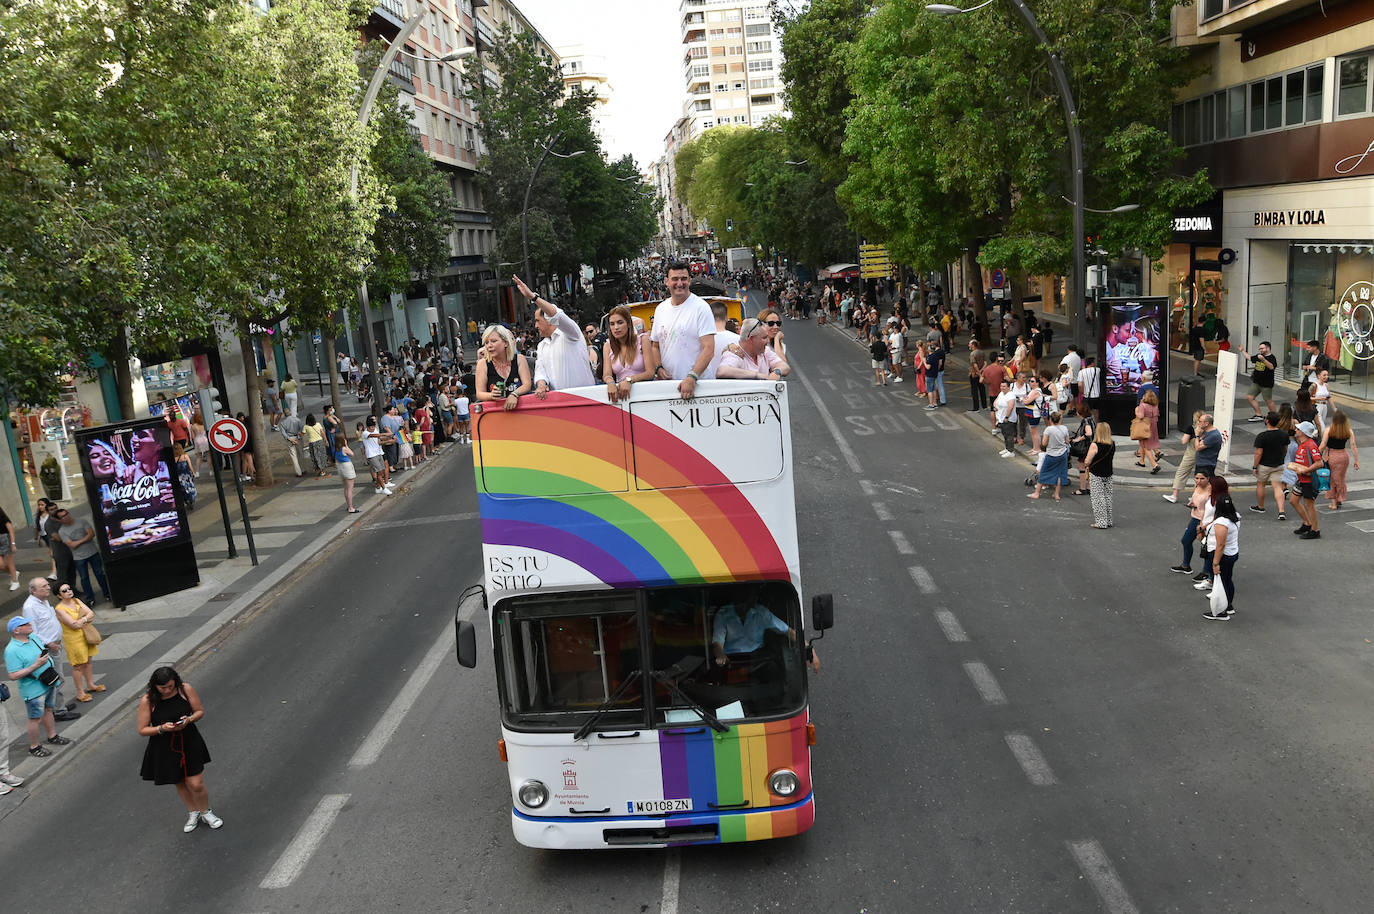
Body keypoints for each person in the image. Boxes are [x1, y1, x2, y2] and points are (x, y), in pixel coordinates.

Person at [138, 666, 220, 833]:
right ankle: (193, 812)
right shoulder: (148, 701)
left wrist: (188, 720)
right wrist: (162, 728)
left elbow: (199, 711)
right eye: (163, 688)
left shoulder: (185, 689)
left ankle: (206, 811)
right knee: (179, 781)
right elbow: (142, 729)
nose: (168, 690)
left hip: (189, 740)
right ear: (155, 686)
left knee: (196, 783)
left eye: (170, 686)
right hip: (164, 746)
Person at [511, 275, 596, 396]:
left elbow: (557, 315)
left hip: (586, 400)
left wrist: (533, 297)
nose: (535, 326)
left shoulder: (571, 334)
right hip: (557, 404)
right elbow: (540, 371)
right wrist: (541, 383)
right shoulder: (541, 346)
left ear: (548, 319)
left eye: (537, 320)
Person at [4, 616, 74, 758]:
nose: (30, 624)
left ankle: (52, 736)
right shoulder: (11, 650)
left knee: (48, 710)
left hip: (48, 682)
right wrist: (35, 666)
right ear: (17, 630)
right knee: (34, 718)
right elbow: (12, 675)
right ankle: (34, 746)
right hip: (33, 689)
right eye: (26, 624)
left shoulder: (33, 637)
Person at [650, 262, 715, 399]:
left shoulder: (701, 308)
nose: (680, 283)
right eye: (675, 279)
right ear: (667, 282)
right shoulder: (660, 309)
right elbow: (655, 346)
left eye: (683, 279)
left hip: (699, 387)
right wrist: (658, 368)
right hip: (669, 387)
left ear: (689, 280)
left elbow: (709, 349)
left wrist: (692, 377)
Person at [710, 593, 797, 666]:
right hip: (732, 660)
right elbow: (717, 642)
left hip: (758, 659)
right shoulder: (723, 614)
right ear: (735, 598)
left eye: (748, 601)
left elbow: (787, 631)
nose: (743, 606)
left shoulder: (761, 613)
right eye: (741, 601)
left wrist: (806, 647)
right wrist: (720, 655)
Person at [54, 583, 103, 701]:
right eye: (64, 590)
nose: (69, 591)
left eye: (69, 588)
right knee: (78, 666)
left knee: (89, 661)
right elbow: (73, 625)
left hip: (86, 635)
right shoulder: (59, 609)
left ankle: (90, 685)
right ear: (59, 595)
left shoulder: (76, 600)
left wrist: (82, 620)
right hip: (74, 640)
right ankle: (80, 693)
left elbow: (91, 613)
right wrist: (86, 619)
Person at [602, 305, 657, 402]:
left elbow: (650, 372)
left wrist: (629, 380)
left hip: (645, 395)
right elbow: (606, 374)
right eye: (612, 324)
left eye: (620, 322)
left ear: (628, 324)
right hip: (622, 398)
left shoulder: (643, 340)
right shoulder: (607, 345)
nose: (616, 327)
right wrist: (610, 382)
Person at [1202, 492, 1241, 621]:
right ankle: (1229, 606)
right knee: (1227, 580)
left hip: (1223, 556)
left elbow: (1220, 545)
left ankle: (1221, 612)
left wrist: (1215, 563)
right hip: (1233, 553)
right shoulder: (1235, 517)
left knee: (1223, 583)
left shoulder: (1221, 523)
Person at [476, 324, 532, 412]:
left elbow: (527, 385)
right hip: (495, 414)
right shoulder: (482, 364)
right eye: (486, 342)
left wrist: (514, 394)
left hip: (521, 412)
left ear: (506, 343)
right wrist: (491, 395)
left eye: (493, 341)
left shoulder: (519, 359)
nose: (489, 345)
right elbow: (479, 393)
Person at [59, 508, 110, 606]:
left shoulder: (81, 521)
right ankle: (90, 598)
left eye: (66, 514)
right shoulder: (62, 531)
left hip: (93, 552)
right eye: (62, 517)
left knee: (100, 574)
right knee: (84, 578)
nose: (65, 517)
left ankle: (107, 594)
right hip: (79, 557)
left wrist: (78, 542)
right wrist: (85, 539)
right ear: (60, 520)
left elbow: (92, 534)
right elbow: (71, 545)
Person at [718, 318, 790, 379]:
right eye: (764, 338)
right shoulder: (735, 353)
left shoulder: (765, 351)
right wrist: (758, 375)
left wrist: (777, 372)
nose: (768, 341)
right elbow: (722, 371)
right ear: (752, 338)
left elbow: (785, 366)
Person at [1288, 420, 1325, 539]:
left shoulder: (1310, 445)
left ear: (1303, 432)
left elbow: (1320, 463)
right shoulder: (1302, 443)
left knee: (1309, 505)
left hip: (1308, 481)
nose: (1296, 430)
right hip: (1301, 479)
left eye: (1298, 429)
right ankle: (1307, 523)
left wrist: (1306, 470)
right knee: (1293, 500)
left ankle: (1315, 530)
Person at [1170, 471, 1212, 574]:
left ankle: (1206, 573)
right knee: (1186, 541)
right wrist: (1192, 503)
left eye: (1202, 479)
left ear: (1208, 478)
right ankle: (1186, 566)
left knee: (1206, 546)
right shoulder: (1197, 486)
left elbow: (1210, 509)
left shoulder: (1211, 490)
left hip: (1205, 521)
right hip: (1194, 518)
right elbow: (1197, 499)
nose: (1199, 481)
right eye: (1197, 478)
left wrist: (1202, 526)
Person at [1249, 412, 1289, 517]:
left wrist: (1254, 466)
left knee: (1261, 484)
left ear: (1267, 421)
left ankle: (1261, 507)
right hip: (1279, 464)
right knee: (1277, 487)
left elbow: (1259, 453)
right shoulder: (1284, 434)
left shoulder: (1262, 436)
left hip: (1264, 465)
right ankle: (1281, 511)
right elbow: (1285, 449)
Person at [1320, 409, 1360, 511]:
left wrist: (1316, 455)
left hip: (1331, 456)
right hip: (1343, 456)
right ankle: (1339, 498)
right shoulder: (1348, 431)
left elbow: (1323, 445)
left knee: (1332, 479)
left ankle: (1333, 503)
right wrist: (1356, 460)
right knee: (1340, 478)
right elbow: (1353, 445)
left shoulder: (1329, 430)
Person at [1164, 410, 1204, 504]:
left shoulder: (1191, 428)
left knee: (1181, 473)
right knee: (1200, 476)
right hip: (1203, 454)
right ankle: (1196, 496)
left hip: (1191, 454)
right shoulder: (1207, 429)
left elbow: (1184, 441)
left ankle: (1174, 495)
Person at [1030, 411, 1070, 501]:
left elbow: (1044, 443)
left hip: (1051, 453)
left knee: (1044, 472)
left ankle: (1037, 493)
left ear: (1051, 419)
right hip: (1062, 454)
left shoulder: (1049, 429)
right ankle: (1056, 494)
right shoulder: (1064, 428)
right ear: (1060, 419)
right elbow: (1067, 441)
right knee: (1060, 474)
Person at [1084, 422, 1116, 529]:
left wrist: (1086, 463)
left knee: (1098, 498)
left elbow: (1087, 461)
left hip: (1096, 474)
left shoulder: (1095, 445)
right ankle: (1109, 520)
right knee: (1107, 497)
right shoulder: (1112, 444)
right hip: (1108, 473)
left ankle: (1101, 522)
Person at [1238, 341, 1278, 421]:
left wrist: (1263, 360)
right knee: (1250, 397)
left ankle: (1275, 417)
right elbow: (1250, 358)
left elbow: (1271, 367)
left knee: (1268, 401)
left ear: (1268, 348)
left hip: (1266, 384)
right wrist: (1242, 351)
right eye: (1260, 348)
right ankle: (1258, 414)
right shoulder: (1260, 356)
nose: (1261, 350)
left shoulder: (1271, 358)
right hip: (1256, 382)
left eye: (1262, 348)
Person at [359, 418, 393, 496]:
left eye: (374, 427)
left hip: (378, 453)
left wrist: (388, 439)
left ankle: (378, 488)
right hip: (371, 455)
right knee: (379, 472)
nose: (373, 429)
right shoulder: (365, 433)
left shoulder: (375, 430)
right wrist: (386, 434)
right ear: (367, 427)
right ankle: (384, 488)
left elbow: (379, 440)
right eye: (371, 427)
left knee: (382, 471)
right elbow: (375, 435)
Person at [1133, 390, 1161, 474]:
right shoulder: (1155, 405)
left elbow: (1140, 416)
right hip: (1153, 426)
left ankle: (1155, 465)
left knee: (1146, 447)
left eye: (1144, 395)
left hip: (1144, 427)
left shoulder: (1143, 406)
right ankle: (1142, 461)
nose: (1143, 397)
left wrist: (1136, 410)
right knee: (1142, 444)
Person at [993, 379, 1019, 458]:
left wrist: (1007, 417)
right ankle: (1007, 448)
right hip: (1000, 418)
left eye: (1004, 386)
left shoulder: (1011, 395)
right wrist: (995, 407)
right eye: (1001, 386)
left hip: (1008, 418)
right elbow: (995, 401)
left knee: (1009, 435)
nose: (1002, 388)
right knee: (1004, 434)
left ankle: (1011, 451)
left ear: (1008, 387)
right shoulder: (1001, 393)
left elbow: (1010, 407)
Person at [1193, 412, 1224, 477]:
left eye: (1200, 421)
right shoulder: (1205, 431)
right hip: (1201, 463)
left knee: (1204, 484)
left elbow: (1198, 447)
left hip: (1206, 465)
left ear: (1207, 423)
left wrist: (1197, 436)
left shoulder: (1213, 435)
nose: (1198, 423)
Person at [335, 434, 358, 513]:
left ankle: (348, 505)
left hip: (340, 467)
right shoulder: (344, 448)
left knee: (345, 488)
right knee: (350, 489)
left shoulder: (336, 449)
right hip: (347, 467)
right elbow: (352, 454)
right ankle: (351, 507)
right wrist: (347, 445)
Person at [303, 414, 328, 478]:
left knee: (315, 456)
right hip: (320, 442)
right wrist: (326, 440)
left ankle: (318, 469)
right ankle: (323, 470)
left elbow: (302, 434)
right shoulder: (318, 424)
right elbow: (322, 433)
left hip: (312, 443)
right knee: (322, 455)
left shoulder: (306, 427)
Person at [173, 443, 197, 510]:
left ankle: (186, 499)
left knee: (183, 489)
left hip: (179, 476)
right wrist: (193, 473)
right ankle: (191, 499)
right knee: (191, 487)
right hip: (187, 475)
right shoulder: (185, 456)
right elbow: (190, 465)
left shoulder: (174, 458)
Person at [0, 503, 18, 591]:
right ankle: (14, 573)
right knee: (1, 565)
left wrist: (13, 544)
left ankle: (15, 581)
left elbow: (11, 531)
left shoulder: (4, 519)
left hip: (5, 540)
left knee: (9, 563)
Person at [924, 341, 946, 409]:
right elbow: (940, 362)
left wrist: (924, 361)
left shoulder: (932, 356)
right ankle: (935, 402)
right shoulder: (939, 353)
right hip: (936, 372)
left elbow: (928, 367)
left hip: (931, 374)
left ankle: (931, 404)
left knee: (930, 389)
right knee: (934, 388)